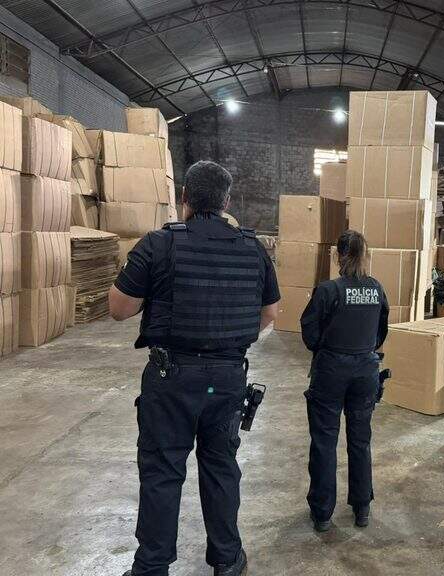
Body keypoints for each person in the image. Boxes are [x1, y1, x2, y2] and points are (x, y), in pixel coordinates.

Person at [109, 160, 280, 576]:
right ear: (226, 202)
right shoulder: (254, 248)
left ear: (184, 197)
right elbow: (270, 313)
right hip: (227, 379)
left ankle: (152, 567)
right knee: (221, 467)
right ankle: (227, 559)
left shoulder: (159, 244)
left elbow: (119, 309)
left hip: (171, 379)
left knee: (163, 471)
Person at [299, 230, 389, 532]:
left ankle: (322, 513)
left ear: (338, 256)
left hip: (331, 371)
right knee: (360, 440)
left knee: (324, 441)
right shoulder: (376, 289)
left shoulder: (328, 290)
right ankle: (362, 507)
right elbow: (381, 331)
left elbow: (309, 332)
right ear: (365, 255)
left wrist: (328, 349)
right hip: (366, 369)